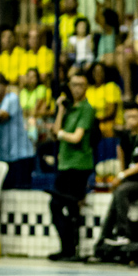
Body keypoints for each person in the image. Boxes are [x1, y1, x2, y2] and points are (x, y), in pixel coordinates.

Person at [98, 102, 138, 247]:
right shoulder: (125, 139)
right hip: (129, 181)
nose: (131, 120)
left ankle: (123, 233)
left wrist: (121, 176)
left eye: (134, 116)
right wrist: (120, 176)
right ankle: (103, 238)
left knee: (122, 192)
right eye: (128, 117)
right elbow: (122, 162)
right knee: (116, 197)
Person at [49, 74, 95, 261]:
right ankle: (66, 247)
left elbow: (76, 137)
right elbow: (55, 132)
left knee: (71, 207)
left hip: (79, 165)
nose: (77, 88)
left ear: (86, 87)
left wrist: (59, 133)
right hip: (64, 163)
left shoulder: (87, 109)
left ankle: (72, 249)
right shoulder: (69, 109)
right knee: (55, 205)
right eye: (74, 85)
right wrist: (60, 109)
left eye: (81, 85)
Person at [0, 73, 35, 189]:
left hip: (21, 157)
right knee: (6, 193)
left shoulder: (12, 98)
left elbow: (0, 116)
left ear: (5, 86)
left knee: (21, 193)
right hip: (4, 157)